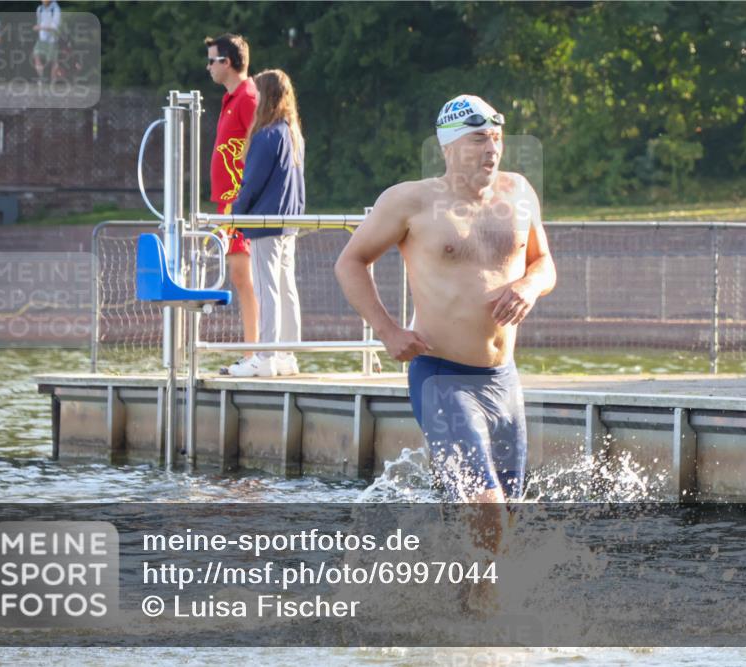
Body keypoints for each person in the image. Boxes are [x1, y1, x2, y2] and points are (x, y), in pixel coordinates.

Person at [336, 94, 556, 508]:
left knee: (508, 510)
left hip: (503, 379)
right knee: (485, 505)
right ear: (448, 147)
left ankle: (455, 572)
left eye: (496, 138)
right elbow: (350, 262)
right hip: (442, 376)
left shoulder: (520, 193)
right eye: (478, 139)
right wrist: (388, 331)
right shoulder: (410, 202)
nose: (491, 149)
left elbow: (544, 262)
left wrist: (529, 286)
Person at [227, 69, 305, 377]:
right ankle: (288, 354)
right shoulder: (293, 133)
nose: (254, 98)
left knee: (266, 287)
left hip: (266, 220)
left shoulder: (266, 134)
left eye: (257, 93)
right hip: (289, 221)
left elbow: (252, 182)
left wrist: (237, 213)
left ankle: (266, 356)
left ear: (267, 96)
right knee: (286, 287)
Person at [205, 33, 260, 375]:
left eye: (211, 60)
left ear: (227, 62)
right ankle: (256, 352)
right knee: (241, 277)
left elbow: (263, 147)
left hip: (243, 202)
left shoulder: (248, 98)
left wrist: (248, 199)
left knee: (247, 277)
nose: (208, 67)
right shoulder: (231, 99)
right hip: (229, 203)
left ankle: (256, 353)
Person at [32, 0, 61, 86]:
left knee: (53, 61)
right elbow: (39, 22)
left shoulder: (55, 9)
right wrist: (38, 28)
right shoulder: (40, 9)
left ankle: (53, 81)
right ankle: (42, 78)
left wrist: (40, 27)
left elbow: (55, 26)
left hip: (53, 39)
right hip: (42, 38)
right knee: (36, 55)